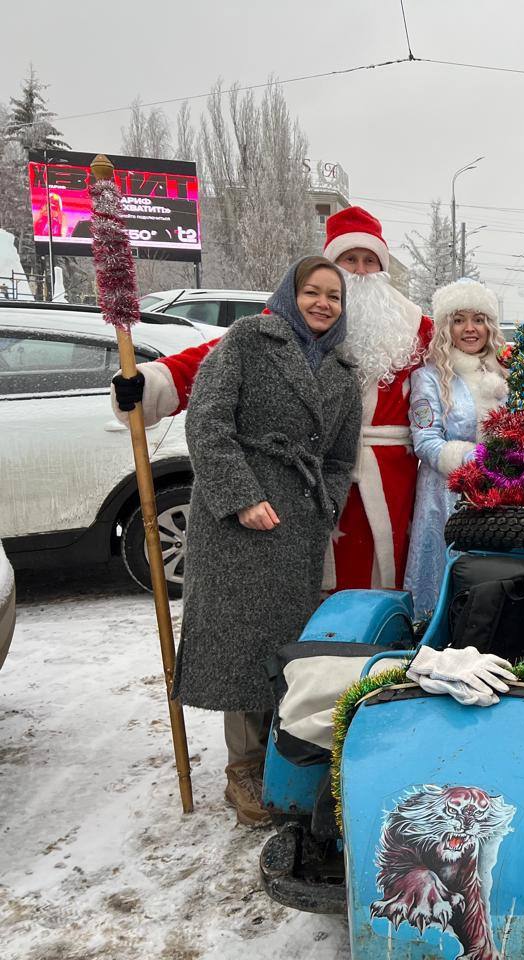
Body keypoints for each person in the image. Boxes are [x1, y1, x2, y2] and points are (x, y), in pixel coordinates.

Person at [110, 207, 432, 592]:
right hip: (310, 476)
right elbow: (220, 357)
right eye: (349, 259)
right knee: (310, 586)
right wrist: (153, 383)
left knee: (386, 586)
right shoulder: (296, 320)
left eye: (369, 261)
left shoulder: (413, 325)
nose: (360, 271)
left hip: (392, 484)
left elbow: (468, 359)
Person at [177, 257, 362, 827]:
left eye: (333, 296)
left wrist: (325, 502)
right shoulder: (246, 341)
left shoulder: (342, 369)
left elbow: (338, 457)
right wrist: (242, 496)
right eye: (313, 292)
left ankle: (282, 761)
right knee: (241, 641)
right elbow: (207, 422)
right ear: (291, 293)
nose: (323, 304)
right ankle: (243, 769)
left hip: (298, 523)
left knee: (284, 643)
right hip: (238, 522)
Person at [405, 279, 508, 619]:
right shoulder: (430, 377)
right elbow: (426, 441)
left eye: (478, 319)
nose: (469, 328)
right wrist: (476, 459)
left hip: (502, 497)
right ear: (446, 326)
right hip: (446, 498)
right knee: (445, 587)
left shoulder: (506, 375)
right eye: (459, 319)